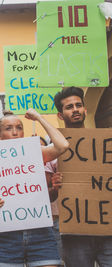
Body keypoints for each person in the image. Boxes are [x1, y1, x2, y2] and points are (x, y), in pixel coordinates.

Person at [0, 108, 69, 267]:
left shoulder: (36, 154)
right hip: (5, 239)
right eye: (9, 128)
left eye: (19, 127)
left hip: (41, 235)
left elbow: (62, 145)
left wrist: (39, 118)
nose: (15, 132)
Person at [53, 86, 112, 267]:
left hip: (108, 231)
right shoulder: (52, 149)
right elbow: (47, 194)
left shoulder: (106, 143)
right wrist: (53, 183)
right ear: (60, 115)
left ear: (85, 110)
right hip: (75, 235)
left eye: (78, 105)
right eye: (69, 107)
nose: (75, 109)